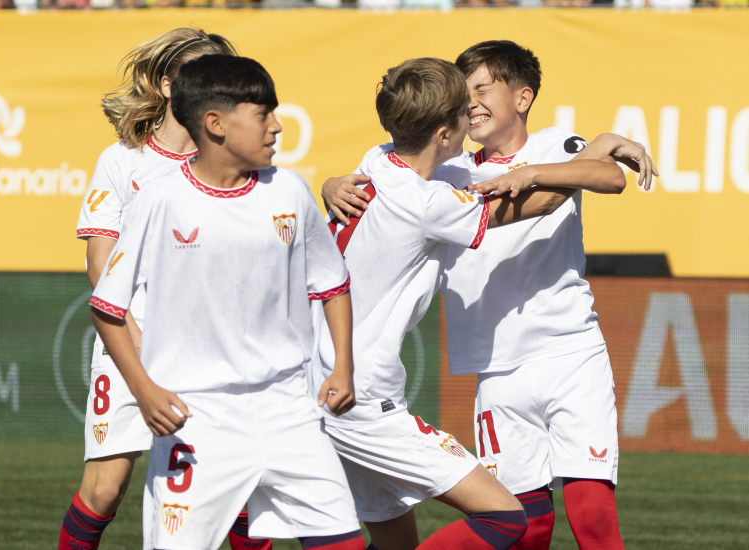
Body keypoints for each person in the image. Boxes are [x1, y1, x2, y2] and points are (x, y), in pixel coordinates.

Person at [323, 41, 656, 550]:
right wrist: (331, 183)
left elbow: (609, 177)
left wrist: (552, 163)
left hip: (568, 355)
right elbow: (533, 200)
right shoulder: (449, 176)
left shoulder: (555, 144)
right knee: (524, 526)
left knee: (590, 513)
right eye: (463, 95)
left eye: (481, 88)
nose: (471, 102)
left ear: (522, 98)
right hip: (493, 368)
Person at [89, 53, 365, 550]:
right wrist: (145, 390)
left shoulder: (289, 191)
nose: (277, 127)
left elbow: (332, 285)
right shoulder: (160, 199)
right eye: (263, 114)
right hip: (198, 419)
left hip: (289, 410)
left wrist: (343, 365)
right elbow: (107, 306)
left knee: (342, 542)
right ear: (215, 124)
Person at [65, 29, 269, 550]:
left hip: (209, 351)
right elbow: (99, 263)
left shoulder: (235, 164)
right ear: (166, 83)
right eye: (199, 72)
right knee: (104, 490)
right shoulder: (123, 161)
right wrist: (133, 344)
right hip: (127, 345)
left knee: (242, 490)